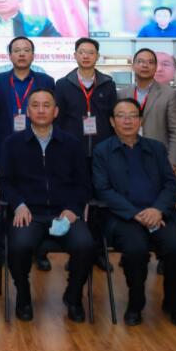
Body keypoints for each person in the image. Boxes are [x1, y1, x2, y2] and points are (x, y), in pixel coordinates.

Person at [0, 88, 94, 323]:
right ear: (28, 112)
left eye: (46, 105)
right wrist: (18, 204)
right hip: (30, 213)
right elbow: (3, 182)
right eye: (35, 105)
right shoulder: (12, 143)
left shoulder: (72, 143)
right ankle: (23, 295)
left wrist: (73, 209)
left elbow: (84, 184)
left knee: (85, 245)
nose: (41, 110)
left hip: (64, 213)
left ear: (56, 111)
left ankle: (73, 296)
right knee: (18, 247)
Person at [93, 98, 176, 328]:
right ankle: (135, 304)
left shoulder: (156, 148)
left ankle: (174, 305)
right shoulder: (102, 151)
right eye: (121, 116)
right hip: (123, 218)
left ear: (141, 120)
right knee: (135, 250)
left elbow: (171, 185)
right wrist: (135, 213)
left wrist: (157, 209)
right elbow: (102, 189)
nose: (127, 121)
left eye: (133, 116)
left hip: (159, 215)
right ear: (112, 121)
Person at [0, 36, 55, 270]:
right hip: (8, 147)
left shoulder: (45, 81)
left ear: (33, 55)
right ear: (10, 55)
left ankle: (41, 251)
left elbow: (50, 112)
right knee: (7, 197)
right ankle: (1, 250)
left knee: (41, 195)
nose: (22, 54)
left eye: (26, 50)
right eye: (17, 50)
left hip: (40, 146)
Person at [55, 37, 117, 271]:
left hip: (102, 154)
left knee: (101, 203)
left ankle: (99, 252)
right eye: (82, 52)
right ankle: (76, 253)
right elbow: (58, 120)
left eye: (91, 52)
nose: (86, 56)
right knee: (74, 202)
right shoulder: (63, 84)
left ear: (97, 57)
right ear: (75, 55)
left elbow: (113, 119)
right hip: (72, 153)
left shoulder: (108, 84)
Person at [118, 48, 176, 170]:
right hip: (126, 158)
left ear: (155, 68)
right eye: (140, 61)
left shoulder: (169, 94)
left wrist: (172, 163)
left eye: (150, 62)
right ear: (133, 66)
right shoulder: (122, 94)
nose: (145, 65)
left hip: (158, 160)